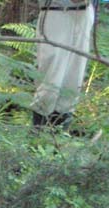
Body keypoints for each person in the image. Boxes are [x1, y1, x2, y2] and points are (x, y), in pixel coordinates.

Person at [32, 0, 96, 128]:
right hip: (56, 13)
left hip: (84, 13)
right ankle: (38, 135)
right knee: (51, 78)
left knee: (73, 80)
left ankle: (60, 136)